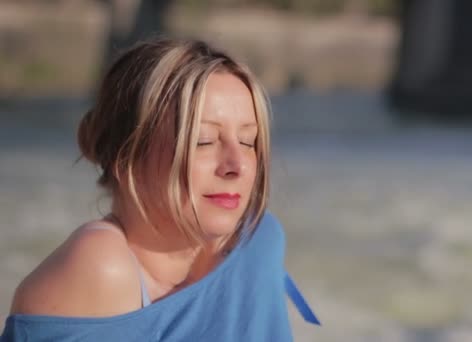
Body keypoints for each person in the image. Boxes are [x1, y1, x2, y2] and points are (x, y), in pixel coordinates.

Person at [1, 38, 319, 341]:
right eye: (204, 141)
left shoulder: (257, 242)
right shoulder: (102, 266)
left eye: (249, 142)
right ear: (128, 155)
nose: (237, 165)